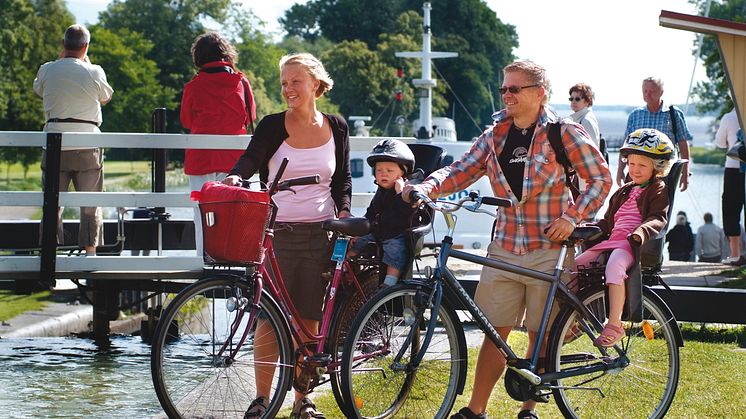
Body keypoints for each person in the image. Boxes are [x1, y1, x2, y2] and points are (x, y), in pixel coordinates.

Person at [403, 60, 612, 419]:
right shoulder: (494, 135)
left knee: (540, 332)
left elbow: (601, 179)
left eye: (515, 89)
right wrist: (426, 187)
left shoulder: (564, 133)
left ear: (539, 93)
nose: (507, 95)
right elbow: (460, 170)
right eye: (504, 88)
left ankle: (529, 408)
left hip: (550, 247)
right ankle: (476, 409)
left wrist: (571, 217)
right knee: (494, 332)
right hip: (504, 246)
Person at [223, 52, 350, 419]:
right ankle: (262, 398)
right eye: (284, 82)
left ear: (315, 84)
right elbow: (251, 158)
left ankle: (301, 401)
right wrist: (235, 175)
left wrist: (342, 212)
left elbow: (342, 179)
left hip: (321, 233)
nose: (288, 89)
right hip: (275, 234)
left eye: (295, 81)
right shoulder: (272, 125)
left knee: (309, 320)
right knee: (268, 319)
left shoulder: (336, 126)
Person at [574, 128, 674, 347]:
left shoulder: (657, 189)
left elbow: (658, 218)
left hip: (631, 245)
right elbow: (607, 222)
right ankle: (573, 317)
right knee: (574, 267)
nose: (635, 170)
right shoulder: (623, 191)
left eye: (642, 165)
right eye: (631, 164)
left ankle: (615, 324)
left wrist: (640, 232)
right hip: (611, 241)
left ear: (657, 167)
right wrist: (584, 229)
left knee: (615, 266)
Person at [33, 24, 114, 255]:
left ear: (63, 45)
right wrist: (86, 65)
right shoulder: (95, 71)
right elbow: (106, 97)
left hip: (54, 141)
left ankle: (49, 255)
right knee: (90, 204)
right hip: (87, 143)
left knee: (52, 205)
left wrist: (60, 61)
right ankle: (90, 253)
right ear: (86, 46)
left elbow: (38, 89)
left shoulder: (47, 69)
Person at [181, 31, 256, 258]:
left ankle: (203, 259)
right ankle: (234, 260)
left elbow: (186, 120)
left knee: (201, 211)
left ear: (199, 57)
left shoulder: (193, 86)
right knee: (234, 213)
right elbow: (250, 116)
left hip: (201, 159)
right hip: (233, 160)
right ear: (226, 54)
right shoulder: (241, 83)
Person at [348, 139, 418, 286]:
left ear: (403, 173)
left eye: (389, 171)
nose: (383, 174)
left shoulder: (405, 192)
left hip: (396, 234)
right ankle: (346, 268)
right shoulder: (381, 192)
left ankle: (389, 283)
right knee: (354, 243)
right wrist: (360, 230)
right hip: (377, 230)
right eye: (379, 171)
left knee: (396, 251)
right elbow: (371, 212)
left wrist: (400, 194)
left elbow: (407, 214)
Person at [616, 77, 692, 191]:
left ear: (661, 92)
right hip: (637, 173)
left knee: (660, 206)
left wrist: (685, 173)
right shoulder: (635, 115)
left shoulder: (674, 114)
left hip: (664, 173)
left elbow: (683, 143)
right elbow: (626, 145)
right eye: (645, 91)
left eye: (652, 91)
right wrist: (620, 170)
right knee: (631, 206)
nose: (648, 94)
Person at [713, 108, 746, 265]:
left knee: (731, 209)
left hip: (734, 167)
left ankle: (736, 254)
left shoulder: (730, 116)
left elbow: (719, 142)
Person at [568, 83, 601, 193]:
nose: (573, 101)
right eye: (571, 98)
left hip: (586, 177)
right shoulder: (579, 119)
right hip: (580, 174)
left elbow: (591, 152)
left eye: (577, 99)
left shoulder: (586, 121)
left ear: (587, 101)